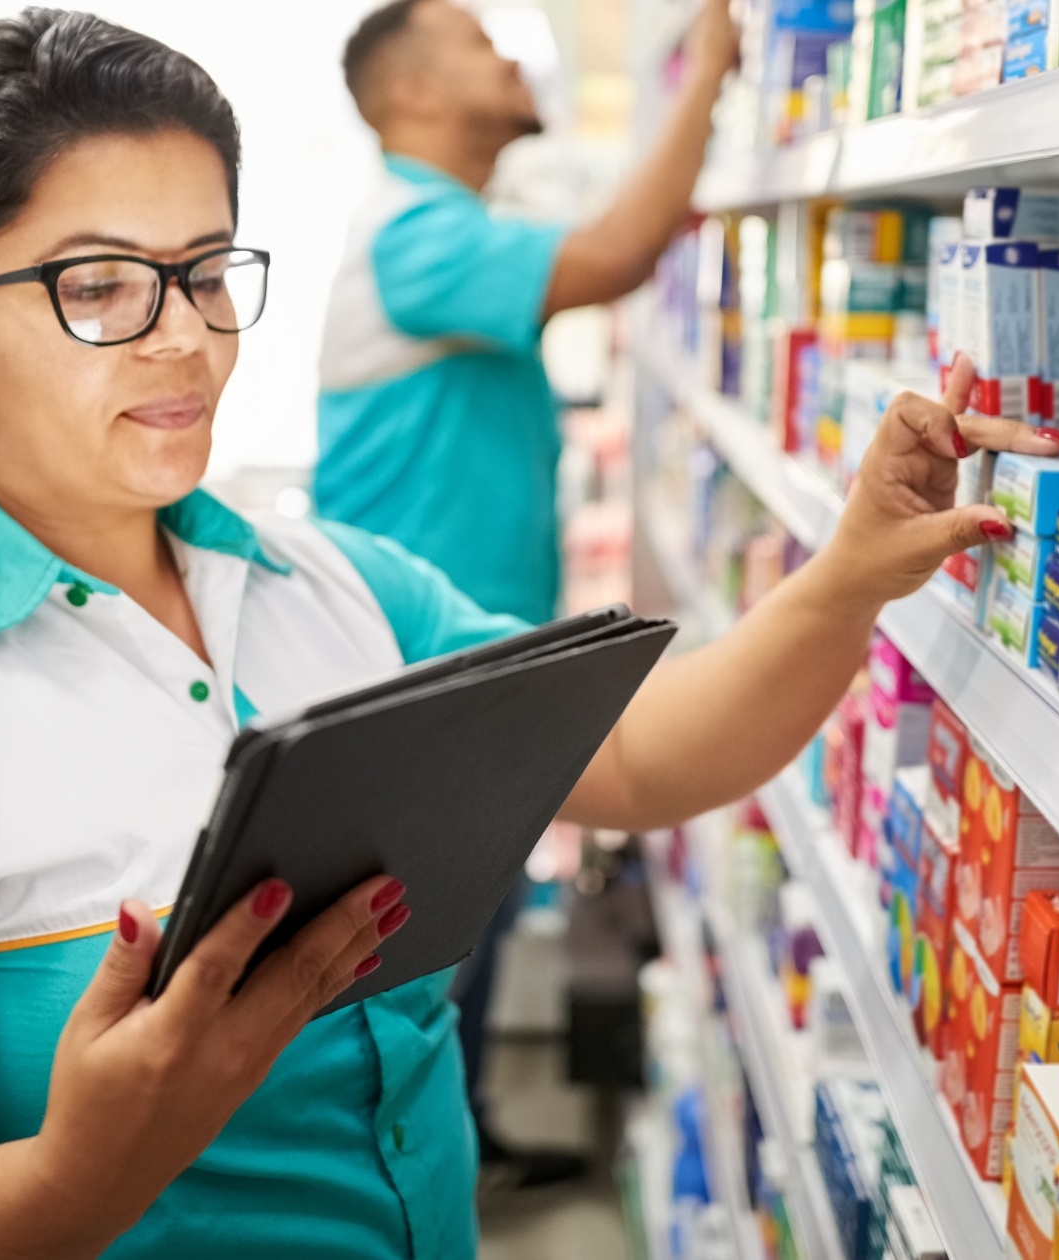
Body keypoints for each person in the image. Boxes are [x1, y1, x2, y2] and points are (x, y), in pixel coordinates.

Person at [0, 10, 1059, 1260]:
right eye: (100, 287)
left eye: (206, 271)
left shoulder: (342, 586)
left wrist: (854, 570)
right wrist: (77, 1180)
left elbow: (635, 758)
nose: (186, 341)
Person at [318, 0, 739, 1180]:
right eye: (474, 39)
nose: (508, 54)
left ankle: (463, 1138)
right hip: (409, 670)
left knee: (473, 910)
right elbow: (612, 256)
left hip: (467, 661)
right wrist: (706, 70)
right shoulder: (413, 234)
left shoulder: (454, 225)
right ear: (405, 93)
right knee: (420, 944)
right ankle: (401, 1171)